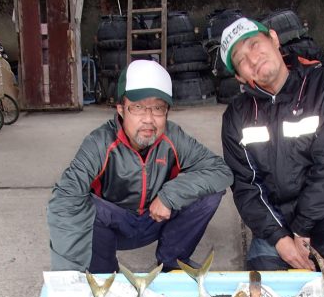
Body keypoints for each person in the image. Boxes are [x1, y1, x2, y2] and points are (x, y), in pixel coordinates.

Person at [47, 59, 233, 273]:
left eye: (158, 108)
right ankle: (104, 275)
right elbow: (64, 200)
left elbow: (220, 171)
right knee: (85, 205)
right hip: (115, 225)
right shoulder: (99, 143)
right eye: (137, 107)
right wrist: (67, 276)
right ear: (121, 110)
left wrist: (169, 195)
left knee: (209, 193)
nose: (148, 119)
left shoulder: (173, 137)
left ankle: (172, 263)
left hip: (156, 218)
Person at [220, 17, 324, 272]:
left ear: (274, 39)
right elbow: (247, 187)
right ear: (240, 77)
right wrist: (279, 239)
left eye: (254, 44)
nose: (253, 59)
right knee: (263, 276)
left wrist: (301, 229)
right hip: (276, 216)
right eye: (241, 59)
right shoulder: (236, 116)